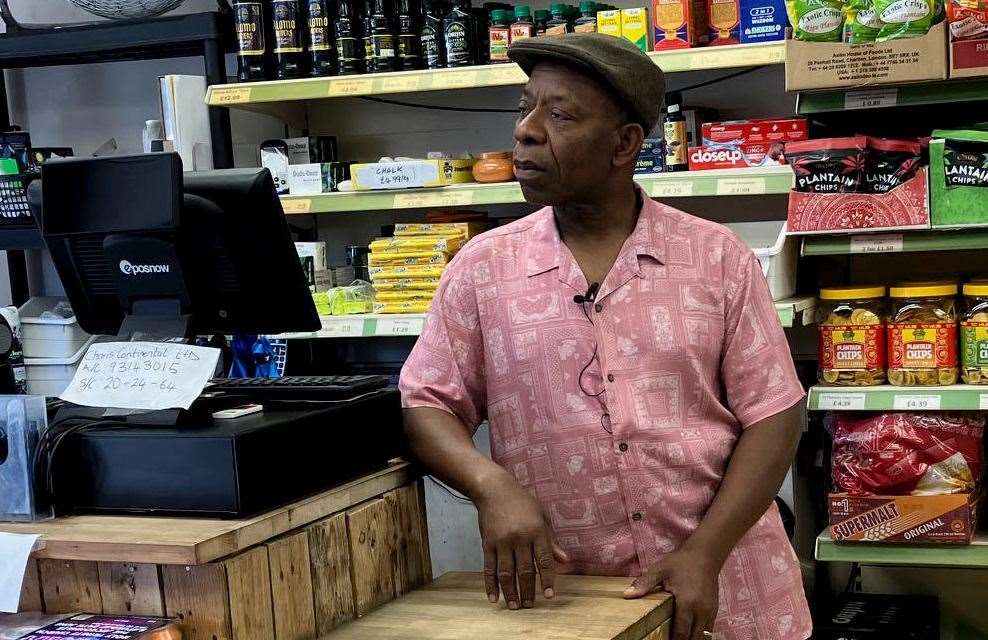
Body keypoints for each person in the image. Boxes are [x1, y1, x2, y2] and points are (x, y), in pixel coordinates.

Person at [398, 33, 812, 640]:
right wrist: (491, 485)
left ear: (624, 144)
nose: (527, 132)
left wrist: (706, 552)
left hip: (725, 587)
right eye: (524, 108)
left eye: (559, 115)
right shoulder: (482, 269)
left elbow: (775, 414)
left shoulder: (714, 258)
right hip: (573, 601)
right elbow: (427, 402)